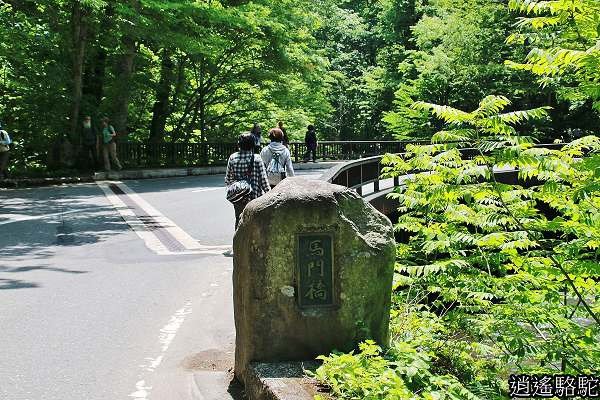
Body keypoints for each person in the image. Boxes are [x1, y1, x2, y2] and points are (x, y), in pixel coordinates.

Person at [225, 133, 270, 229]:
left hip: (238, 198)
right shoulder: (257, 158)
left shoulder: (233, 157)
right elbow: (263, 181)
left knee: (239, 221)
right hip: (255, 198)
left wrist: (236, 189)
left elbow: (228, 180)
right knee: (255, 223)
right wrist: (269, 195)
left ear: (239, 144)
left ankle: (238, 243)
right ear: (253, 145)